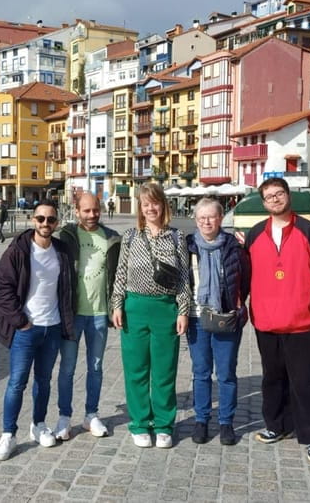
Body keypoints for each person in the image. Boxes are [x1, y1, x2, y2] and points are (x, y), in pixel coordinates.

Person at [244, 178, 310, 463]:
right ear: (263, 202)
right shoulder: (255, 234)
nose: (275, 199)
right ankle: (277, 425)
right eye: (269, 197)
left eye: (279, 194)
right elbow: (246, 274)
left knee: (305, 382)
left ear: (288, 195)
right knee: (272, 379)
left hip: (301, 321)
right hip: (266, 321)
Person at [0, 203, 74, 460]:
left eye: (50, 219)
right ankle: (8, 434)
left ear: (57, 222)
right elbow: (3, 289)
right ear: (32, 219)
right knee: (17, 383)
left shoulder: (62, 251)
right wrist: (20, 321)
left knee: (44, 381)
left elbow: (68, 289)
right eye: (40, 218)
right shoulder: (17, 250)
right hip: (26, 329)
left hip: (53, 326)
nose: (45, 223)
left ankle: (38, 425)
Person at [110, 182, 192, 449]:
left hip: (164, 309)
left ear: (163, 205)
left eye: (155, 203)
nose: (150, 208)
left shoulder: (177, 237)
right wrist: (117, 305)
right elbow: (120, 273)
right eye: (146, 204)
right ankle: (140, 423)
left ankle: (165, 424)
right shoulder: (131, 236)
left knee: (165, 370)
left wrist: (183, 310)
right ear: (140, 208)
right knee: (136, 370)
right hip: (135, 308)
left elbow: (183, 278)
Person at [55, 193, 121, 440]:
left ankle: (91, 415)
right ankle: (64, 417)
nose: (92, 215)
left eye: (95, 210)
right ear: (77, 211)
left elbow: (118, 275)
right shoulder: (67, 236)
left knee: (95, 367)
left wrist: (117, 306)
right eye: (86, 211)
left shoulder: (111, 237)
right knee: (68, 368)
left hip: (99, 314)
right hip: (72, 314)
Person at [185, 198, 250, 445]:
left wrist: (236, 304)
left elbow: (245, 279)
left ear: (221, 218)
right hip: (197, 318)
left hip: (225, 318)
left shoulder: (233, 246)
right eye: (201, 218)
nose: (206, 222)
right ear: (196, 220)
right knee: (200, 373)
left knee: (226, 374)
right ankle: (201, 420)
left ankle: (226, 422)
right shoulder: (188, 246)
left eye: (211, 217)